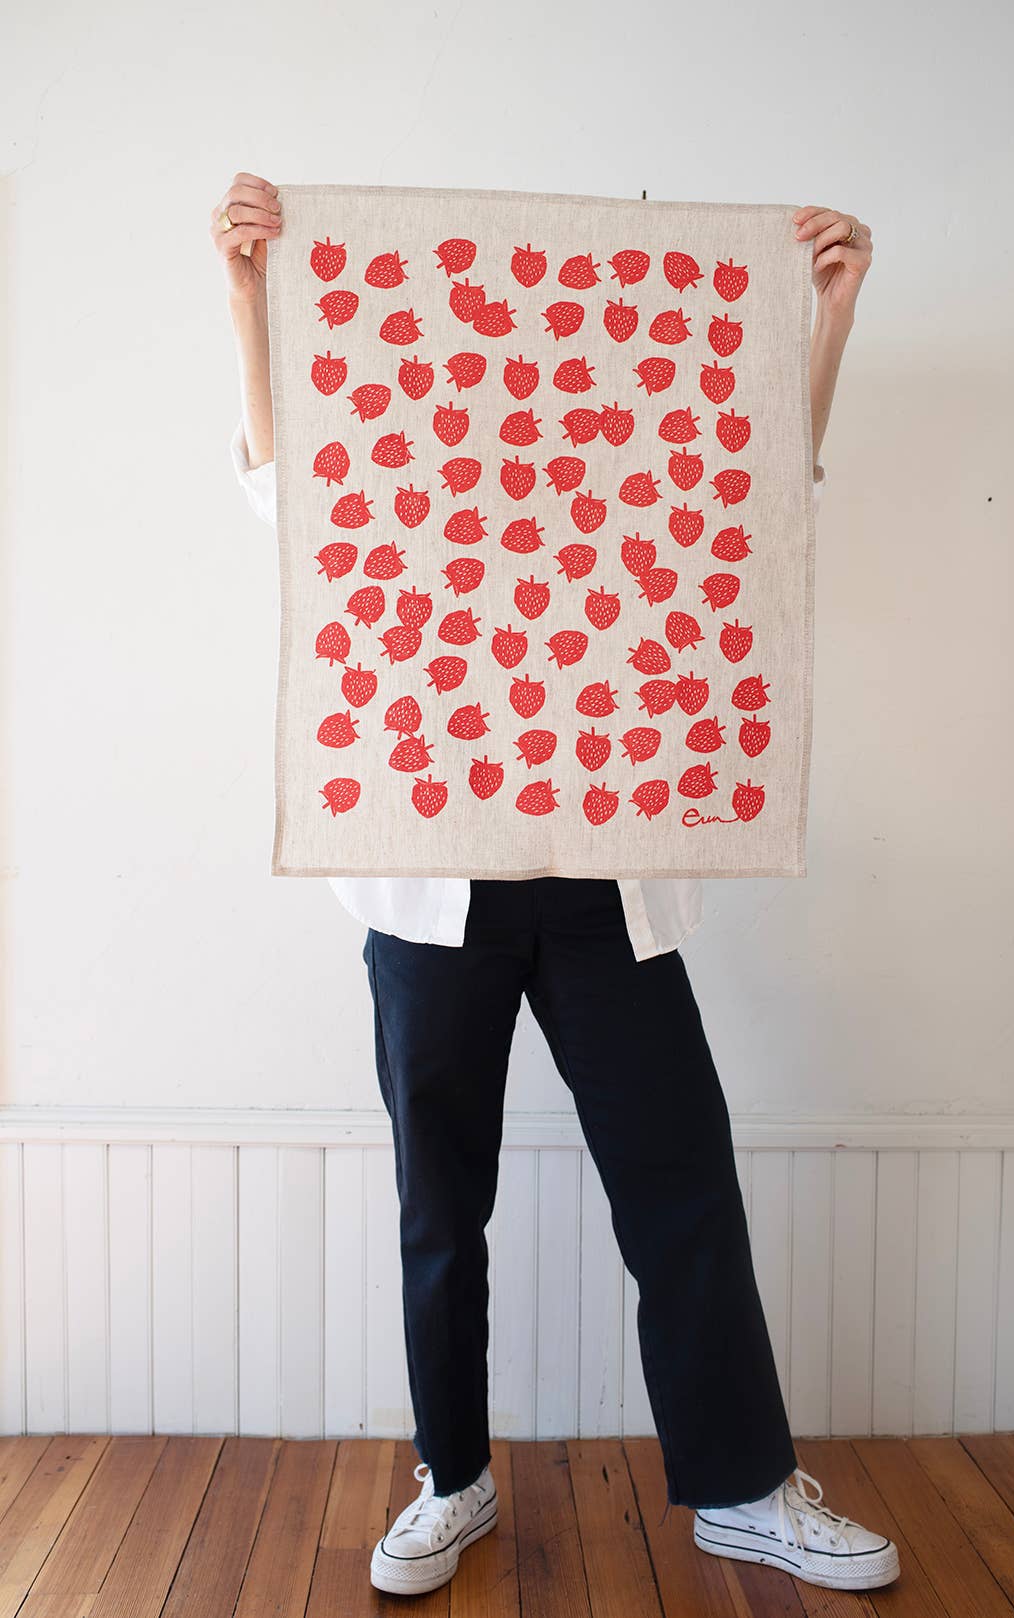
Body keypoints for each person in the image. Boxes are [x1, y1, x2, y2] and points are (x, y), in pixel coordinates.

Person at [211, 173, 898, 1597]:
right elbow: (298, 499)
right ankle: (449, 1477)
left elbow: (752, 500)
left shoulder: (624, 467)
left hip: (609, 883)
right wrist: (246, 294)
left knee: (681, 1182)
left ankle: (741, 1485)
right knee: (437, 1197)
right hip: (430, 888)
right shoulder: (397, 463)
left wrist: (823, 318)